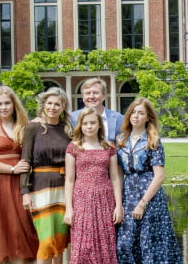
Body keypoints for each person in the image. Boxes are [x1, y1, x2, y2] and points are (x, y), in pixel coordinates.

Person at [0, 86, 39, 264]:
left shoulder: (24, 126)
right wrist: (12, 169)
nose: (3, 107)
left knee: (23, 229)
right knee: (1, 229)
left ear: (14, 104)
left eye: (7, 103)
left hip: (21, 184)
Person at [116, 97, 183, 263]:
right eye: (133, 112)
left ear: (148, 117)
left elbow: (159, 176)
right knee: (124, 244)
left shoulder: (153, 141)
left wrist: (143, 203)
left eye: (141, 113)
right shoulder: (120, 140)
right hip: (128, 194)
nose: (136, 116)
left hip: (150, 198)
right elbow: (118, 174)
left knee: (150, 244)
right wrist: (118, 203)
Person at [20, 87, 73, 264]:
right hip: (39, 187)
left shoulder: (68, 129)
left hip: (64, 187)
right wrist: (24, 192)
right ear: (43, 105)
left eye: (57, 104)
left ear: (63, 106)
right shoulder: (33, 127)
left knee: (59, 240)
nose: (52, 107)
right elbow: (25, 161)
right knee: (45, 239)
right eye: (49, 103)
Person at [64, 107, 123, 264]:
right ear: (80, 126)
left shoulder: (109, 147)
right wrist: (69, 208)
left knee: (105, 240)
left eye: (92, 123)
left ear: (99, 125)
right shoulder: (74, 147)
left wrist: (118, 206)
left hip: (105, 198)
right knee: (83, 243)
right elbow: (69, 180)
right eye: (85, 123)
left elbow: (115, 178)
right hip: (82, 199)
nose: (89, 126)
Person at [70, 78, 123, 142]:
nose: (91, 97)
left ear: (104, 96)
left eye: (95, 93)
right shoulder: (71, 118)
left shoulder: (118, 118)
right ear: (83, 97)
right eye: (88, 93)